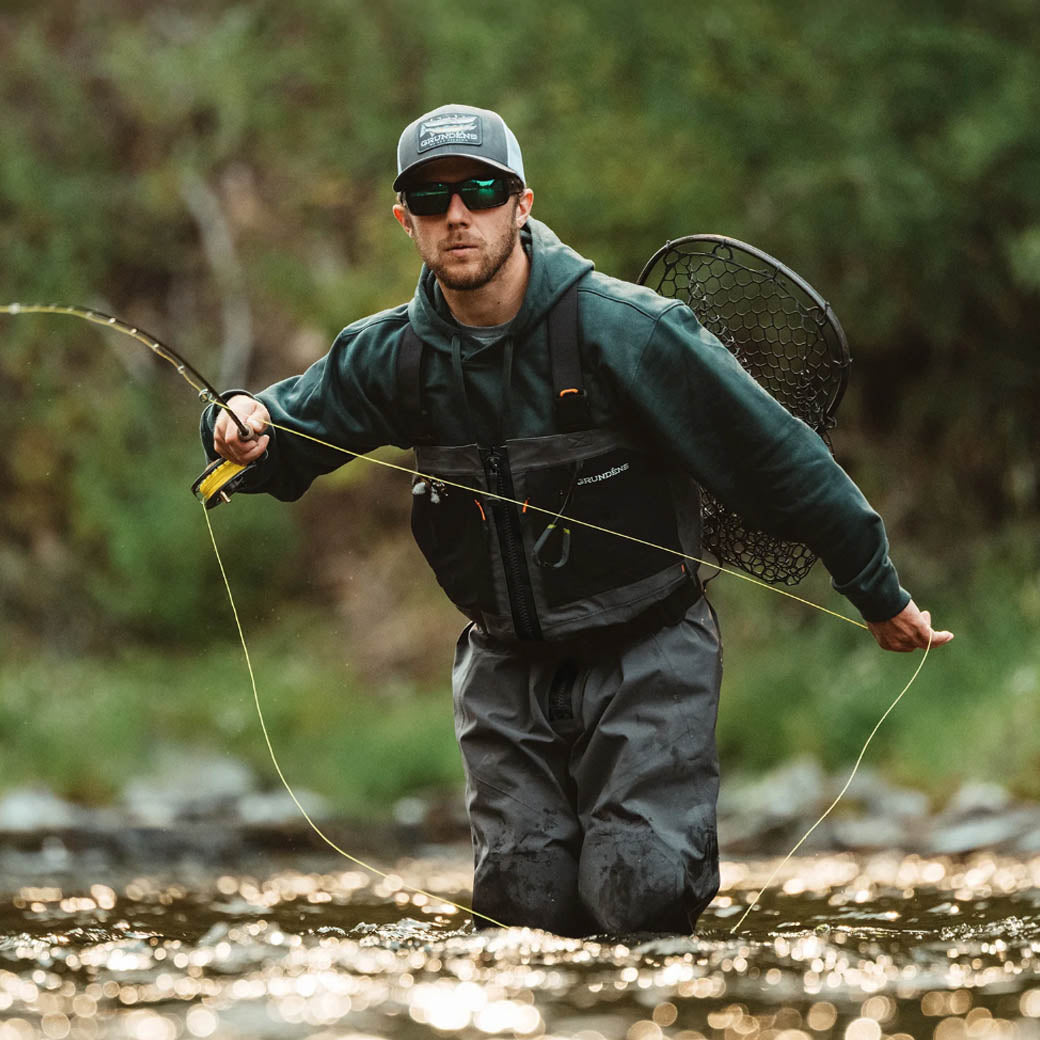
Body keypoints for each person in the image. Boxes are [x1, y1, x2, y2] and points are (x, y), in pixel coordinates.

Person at [204, 104, 953, 937]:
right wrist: (233, 427)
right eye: (430, 197)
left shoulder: (627, 332)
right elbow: (274, 435)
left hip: (648, 652)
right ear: (404, 219)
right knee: (519, 913)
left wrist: (877, 593)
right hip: (505, 670)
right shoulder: (390, 357)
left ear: (521, 205)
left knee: (641, 896)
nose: (457, 215)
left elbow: (780, 462)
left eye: (481, 191)